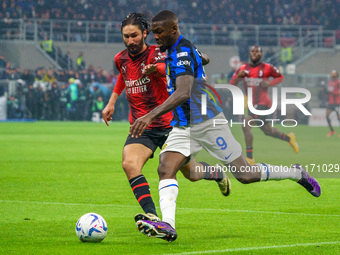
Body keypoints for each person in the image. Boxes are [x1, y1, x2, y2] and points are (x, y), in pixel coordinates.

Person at [131, 10, 321, 243]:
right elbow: (205, 58)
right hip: (183, 126)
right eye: (153, 32)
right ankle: (168, 226)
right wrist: (197, 60)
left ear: (173, 29)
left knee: (245, 175)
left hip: (209, 123)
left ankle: (296, 173)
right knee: (165, 168)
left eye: (158, 32)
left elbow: (183, 92)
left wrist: (149, 116)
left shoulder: (181, 51)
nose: (154, 37)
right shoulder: (178, 49)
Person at [102, 12, 231, 234]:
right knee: (129, 164)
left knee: (191, 174)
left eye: (134, 35)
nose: (130, 40)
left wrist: (158, 69)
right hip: (142, 125)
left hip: (171, 123)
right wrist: (112, 101)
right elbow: (124, 76)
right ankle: (151, 214)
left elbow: (181, 67)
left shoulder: (161, 53)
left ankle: (217, 174)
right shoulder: (120, 59)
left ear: (145, 33)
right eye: (126, 36)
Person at [229, 46, 299, 165]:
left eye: (257, 51)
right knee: (268, 131)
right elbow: (231, 84)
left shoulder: (267, 67)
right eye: (252, 51)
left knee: (245, 125)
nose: (255, 53)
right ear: (249, 53)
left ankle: (250, 158)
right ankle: (289, 138)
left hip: (264, 103)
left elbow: (280, 77)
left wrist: (269, 83)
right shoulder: (243, 68)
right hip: (252, 105)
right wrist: (237, 77)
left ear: (261, 54)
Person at [325, 70, 340, 137]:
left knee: (339, 117)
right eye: (332, 73)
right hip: (331, 103)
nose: (332, 75)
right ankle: (332, 131)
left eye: (334, 73)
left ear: (336, 75)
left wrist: (334, 92)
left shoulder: (338, 82)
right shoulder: (330, 82)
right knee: (327, 116)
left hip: (337, 102)